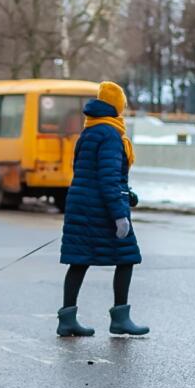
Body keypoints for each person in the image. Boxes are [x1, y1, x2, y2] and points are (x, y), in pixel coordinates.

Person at [56, 81, 148, 337]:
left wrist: (125, 194)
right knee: (127, 257)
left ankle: (67, 319)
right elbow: (107, 178)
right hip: (100, 208)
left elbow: (91, 173)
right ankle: (120, 318)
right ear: (116, 106)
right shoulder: (110, 134)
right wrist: (119, 214)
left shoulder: (90, 130)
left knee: (79, 260)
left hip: (83, 204)